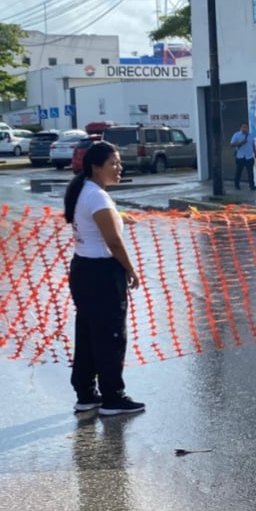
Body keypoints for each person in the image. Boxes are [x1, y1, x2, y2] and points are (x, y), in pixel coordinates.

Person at [64, 141, 145, 416]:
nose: (119, 168)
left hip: (83, 270)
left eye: (119, 163)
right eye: (113, 163)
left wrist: (121, 217)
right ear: (96, 167)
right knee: (110, 336)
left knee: (88, 334)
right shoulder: (96, 196)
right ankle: (113, 397)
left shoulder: (84, 190)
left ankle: (86, 394)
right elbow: (113, 240)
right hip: (101, 273)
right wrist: (131, 269)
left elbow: (98, 222)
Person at [231, 123, 256, 190]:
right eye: (243, 127)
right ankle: (237, 184)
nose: (244, 129)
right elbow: (232, 144)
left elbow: (253, 144)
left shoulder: (251, 135)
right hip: (240, 157)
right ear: (240, 128)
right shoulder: (236, 135)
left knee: (250, 172)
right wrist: (240, 143)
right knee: (238, 171)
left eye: (246, 127)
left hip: (249, 156)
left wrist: (255, 153)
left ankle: (252, 185)